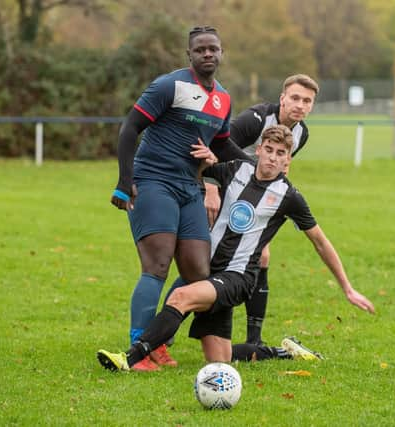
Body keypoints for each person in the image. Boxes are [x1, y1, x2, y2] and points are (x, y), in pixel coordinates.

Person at [98, 125, 375, 371]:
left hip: (237, 277)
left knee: (181, 296)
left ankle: (130, 358)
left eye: (280, 153)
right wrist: (202, 160)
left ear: (287, 159)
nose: (273, 157)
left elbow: (320, 242)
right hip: (207, 270)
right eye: (269, 150)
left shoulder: (289, 197)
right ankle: (284, 352)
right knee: (221, 359)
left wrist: (348, 288)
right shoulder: (236, 169)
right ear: (258, 150)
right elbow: (199, 171)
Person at [111, 25, 250, 371]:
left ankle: (157, 340)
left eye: (213, 49)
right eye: (200, 49)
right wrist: (124, 181)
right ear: (189, 55)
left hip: (191, 187)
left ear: (221, 53)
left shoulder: (224, 98)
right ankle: (138, 345)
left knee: (198, 272)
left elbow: (219, 143)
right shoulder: (168, 85)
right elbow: (130, 128)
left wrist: (257, 166)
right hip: (153, 181)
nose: (207, 54)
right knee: (157, 266)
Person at [204, 74, 319, 347]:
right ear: (282, 98)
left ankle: (253, 340)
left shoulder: (301, 134)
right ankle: (166, 334)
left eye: (307, 101)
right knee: (203, 259)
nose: (299, 105)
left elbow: (276, 171)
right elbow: (216, 145)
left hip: (249, 198)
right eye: (294, 98)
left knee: (260, 256)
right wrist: (209, 188)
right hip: (217, 186)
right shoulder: (255, 119)